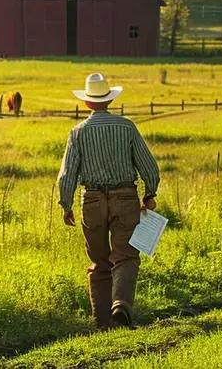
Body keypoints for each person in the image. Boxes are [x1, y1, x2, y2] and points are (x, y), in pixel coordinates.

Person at [57, 72, 160, 328]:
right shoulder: (127, 127)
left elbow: (67, 173)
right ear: (109, 100)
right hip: (125, 197)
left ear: (87, 103)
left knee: (99, 260)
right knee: (126, 255)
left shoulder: (77, 132)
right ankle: (121, 306)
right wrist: (149, 193)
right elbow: (148, 165)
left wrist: (66, 204)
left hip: (91, 199)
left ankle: (102, 320)